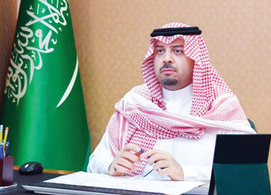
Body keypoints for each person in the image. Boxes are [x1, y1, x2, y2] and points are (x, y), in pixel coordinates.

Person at [87, 22, 255, 181]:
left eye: (177, 51)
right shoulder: (135, 105)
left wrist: (185, 173)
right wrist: (111, 166)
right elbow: (94, 162)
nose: (167, 58)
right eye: (160, 51)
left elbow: (246, 171)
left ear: (195, 58)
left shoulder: (221, 107)